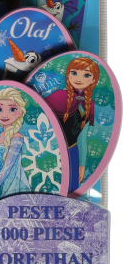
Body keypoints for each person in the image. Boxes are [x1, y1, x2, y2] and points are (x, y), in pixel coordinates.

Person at [45, 57, 99, 191]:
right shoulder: (57, 96)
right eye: (74, 73)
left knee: (71, 189)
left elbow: (82, 137)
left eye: (86, 75)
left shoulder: (89, 104)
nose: (79, 79)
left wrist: (82, 164)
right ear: (68, 74)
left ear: (94, 80)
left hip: (73, 151)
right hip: (52, 151)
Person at [0, 87, 30, 206]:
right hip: (3, 185)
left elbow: (7, 168)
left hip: (16, 187)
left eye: (12, 109)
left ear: (20, 112)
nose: (5, 115)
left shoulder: (17, 138)